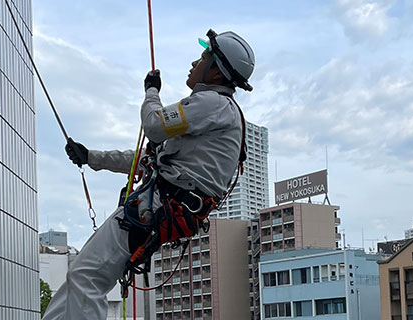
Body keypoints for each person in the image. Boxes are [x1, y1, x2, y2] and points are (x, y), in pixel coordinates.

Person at [42, 29, 255, 320]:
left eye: (203, 57)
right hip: (156, 206)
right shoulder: (213, 116)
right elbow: (146, 160)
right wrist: (91, 157)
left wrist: (151, 92)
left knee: (87, 278)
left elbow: (154, 126)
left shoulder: (213, 104)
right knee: (80, 274)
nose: (195, 63)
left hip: (155, 207)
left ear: (217, 72)